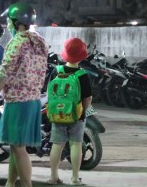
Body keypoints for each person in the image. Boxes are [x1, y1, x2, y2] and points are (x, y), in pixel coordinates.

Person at [0, 3, 48, 187]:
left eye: (9, 21)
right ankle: (11, 183)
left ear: (18, 23)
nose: (7, 25)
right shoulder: (39, 40)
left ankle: (26, 185)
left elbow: (4, 73)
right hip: (33, 100)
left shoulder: (17, 42)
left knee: (18, 148)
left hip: (18, 101)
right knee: (15, 146)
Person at [48, 37, 92, 186]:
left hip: (57, 114)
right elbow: (87, 98)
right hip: (76, 115)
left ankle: (53, 176)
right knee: (75, 144)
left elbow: (49, 93)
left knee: (57, 145)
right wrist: (82, 112)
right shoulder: (82, 75)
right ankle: (74, 178)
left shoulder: (56, 70)